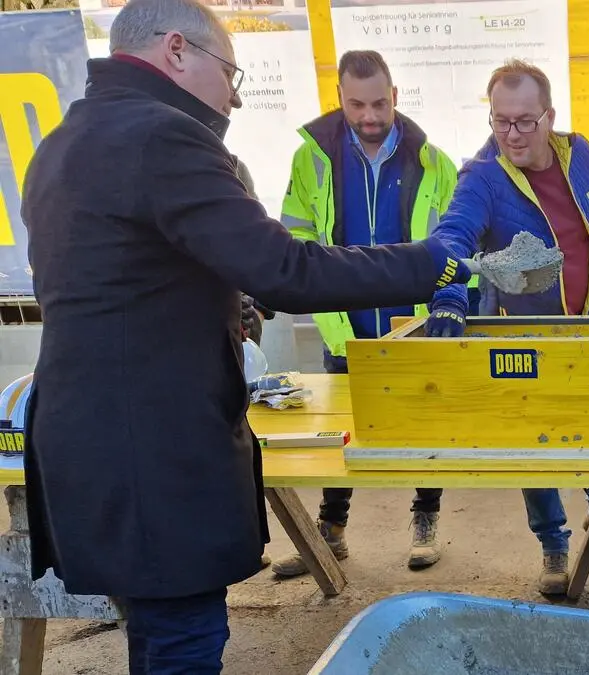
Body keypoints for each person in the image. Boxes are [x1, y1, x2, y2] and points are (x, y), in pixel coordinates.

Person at [18, 0, 474, 671]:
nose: (232, 96)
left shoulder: (65, 142)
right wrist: (434, 261)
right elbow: (286, 268)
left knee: (157, 629)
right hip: (152, 450)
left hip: (87, 442)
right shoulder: (161, 138)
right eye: (229, 72)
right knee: (183, 640)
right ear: (177, 50)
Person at [428, 59, 589, 596]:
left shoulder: (580, 155)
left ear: (549, 116)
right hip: (517, 332)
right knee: (533, 438)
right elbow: (453, 237)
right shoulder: (483, 177)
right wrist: (449, 296)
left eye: (524, 121)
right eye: (501, 122)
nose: (512, 135)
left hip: (582, 321)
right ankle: (553, 543)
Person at [269, 50, 463, 578]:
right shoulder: (309, 160)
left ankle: (426, 524)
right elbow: (297, 237)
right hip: (344, 324)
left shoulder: (435, 163)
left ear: (395, 96)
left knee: (423, 428)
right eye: (357, 104)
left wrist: (446, 302)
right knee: (343, 431)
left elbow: (451, 244)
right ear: (340, 99)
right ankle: (331, 533)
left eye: (379, 102)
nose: (370, 115)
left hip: (415, 325)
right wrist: (323, 303)